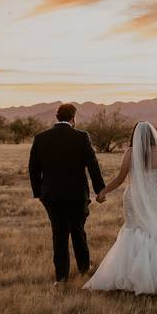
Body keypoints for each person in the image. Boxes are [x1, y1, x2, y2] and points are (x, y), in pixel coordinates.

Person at [83, 121, 157, 295]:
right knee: (156, 231)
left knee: (134, 230)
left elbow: (120, 178)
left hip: (135, 197)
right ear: (153, 135)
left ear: (135, 135)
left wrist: (103, 192)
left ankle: (131, 276)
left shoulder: (130, 153)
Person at [29, 103, 106, 285]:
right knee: (78, 231)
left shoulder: (40, 138)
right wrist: (99, 190)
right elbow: (92, 165)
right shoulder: (81, 137)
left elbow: (33, 168)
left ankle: (61, 277)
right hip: (76, 195)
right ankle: (84, 268)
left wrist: (39, 193)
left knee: (59, 234)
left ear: (57, 117)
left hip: (52, 196)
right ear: (73, 118)